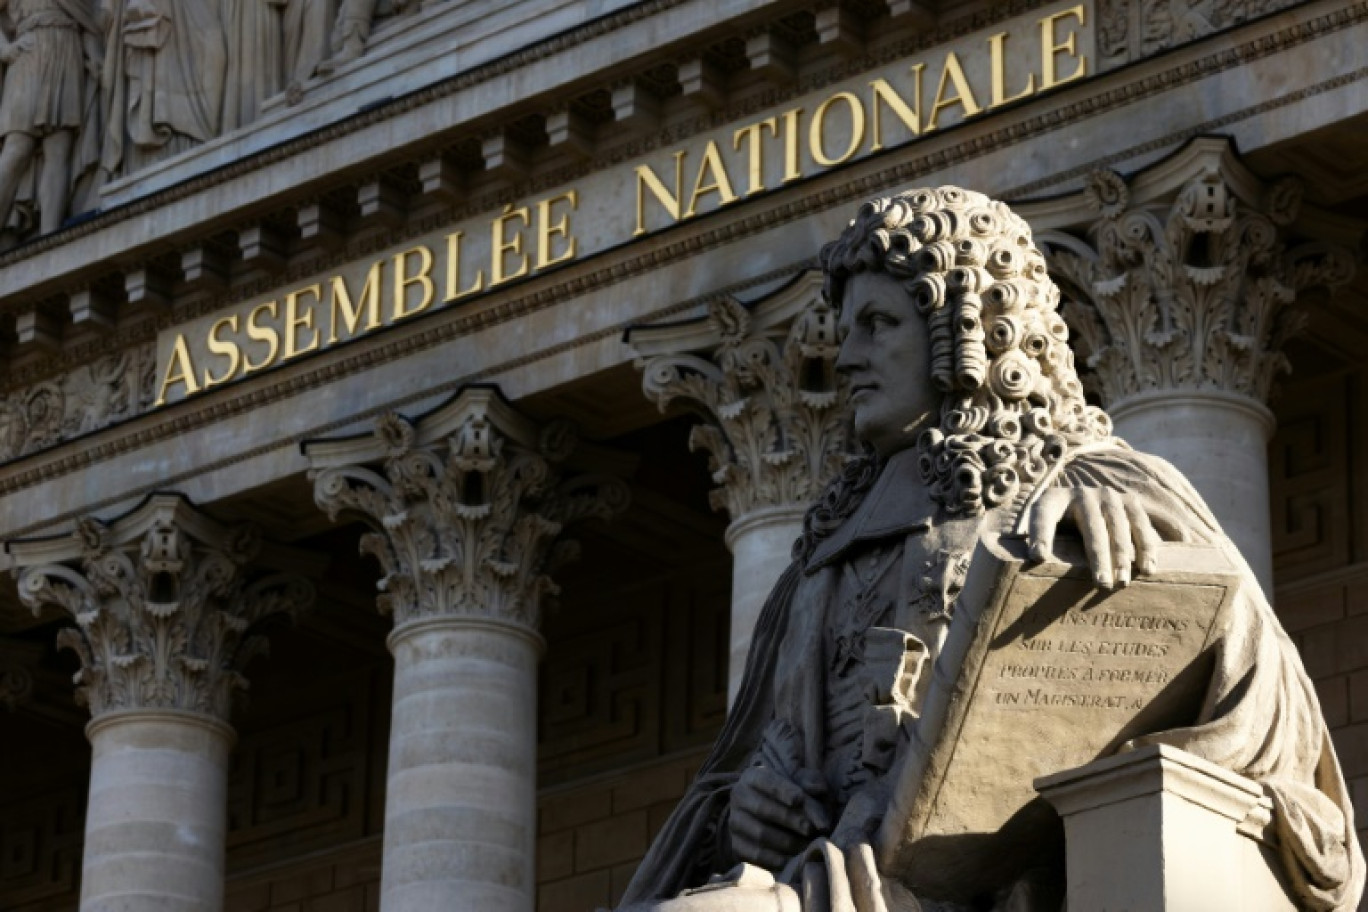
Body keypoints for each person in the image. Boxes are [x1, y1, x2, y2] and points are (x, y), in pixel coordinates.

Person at [617, 187, 1365, 911]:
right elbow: (736, 774)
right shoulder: (820, 554)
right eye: (847, 330)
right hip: (834, 875)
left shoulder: (1102, 485)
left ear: (963, 329)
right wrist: (741, 810)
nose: (846, 358)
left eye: (877, 324)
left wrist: (1146, 556)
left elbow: (1270, 711)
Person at [0, 0, 103, 235]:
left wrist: (95, 55)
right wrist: (4, 49)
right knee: (17, 148)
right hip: (30, 51)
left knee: (59, 149)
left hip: (68, 49)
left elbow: (84, 19)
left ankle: (49, 235)